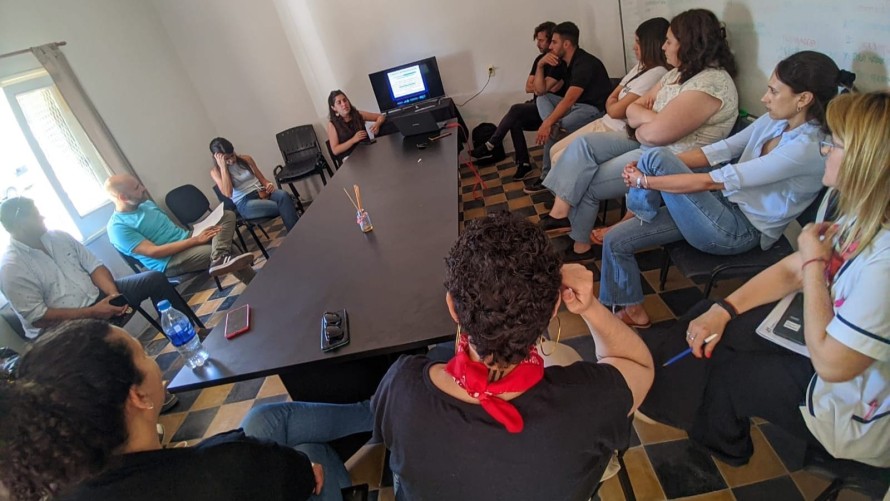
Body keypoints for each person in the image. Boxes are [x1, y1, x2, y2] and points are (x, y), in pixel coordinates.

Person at [638, 91, 890, 468]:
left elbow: (832, 365)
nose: (825, 152)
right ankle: (662, 393)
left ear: (865, 163)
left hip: (851, 406)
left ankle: (721, 442)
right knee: (711, 317)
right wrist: (725, 308)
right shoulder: (860, 213)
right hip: (830, 338)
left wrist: (813, 268)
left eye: (834, 146)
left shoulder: (883, 263)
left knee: (727, 373)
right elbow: (793, 268)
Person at [372, 212, 654, 500]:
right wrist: (590, 306)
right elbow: (638, 365)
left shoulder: (401, 385)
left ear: (453, 308)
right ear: (555, 307)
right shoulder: (589, 401)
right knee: (564, 356)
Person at [600, 51, 850, 328]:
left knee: (656, 158)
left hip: (737, 231)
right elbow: (721, 151)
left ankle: (639, 209)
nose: (764, 97)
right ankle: (632, 309)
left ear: (803, 99)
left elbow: (712, 180)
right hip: (717, 204)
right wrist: (649, 169)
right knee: (617, 239)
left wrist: (644, 180)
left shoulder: (807, 148)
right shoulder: (776, 120)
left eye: (773, 91)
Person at [0, 319, 374, 500]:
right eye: (145, 354)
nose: (155, 362)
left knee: (265, 417)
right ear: (138, 397)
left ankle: (374, 411)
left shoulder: (66, 480)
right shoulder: (229, 467)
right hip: (274, 477)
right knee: (312, 453)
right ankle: (387, 411)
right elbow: (304, 476)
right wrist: (301, 470)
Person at [535, 9, 739, 262]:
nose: (664, 47)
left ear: (689, 45)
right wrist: (647, 118)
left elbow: (651, 131)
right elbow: (632, 111)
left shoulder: (710, 84)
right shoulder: (676, 74)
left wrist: (645, 119)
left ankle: (580, 247)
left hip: (672, 160)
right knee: (583, 146)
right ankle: (563, 218)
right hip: (647, 145)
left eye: (669, 41)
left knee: (584, 179)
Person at [0, 197, 200, 342]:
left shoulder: (58, 236)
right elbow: (39, 318)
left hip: (98, 297)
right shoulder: (12, 267)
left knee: (153, 279)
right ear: (20, 225)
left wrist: (114, 296)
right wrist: (93, 312)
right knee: (108, 342)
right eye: (36, 216)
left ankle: (189, 334)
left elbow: (95, 266)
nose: (42, 217)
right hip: (60, 327)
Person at [548, 17, 671, 167]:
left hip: (617, 129)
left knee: (560, 158)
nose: (634, 47)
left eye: (638, 42)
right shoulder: (640, 66)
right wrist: (613, 104)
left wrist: (613, 104)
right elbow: (612, 96)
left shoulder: (657, 73)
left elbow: (617, 110)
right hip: (605, 120)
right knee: (553, 150)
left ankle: (564, 187)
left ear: (650, 44)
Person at [105, 174, 256, 284]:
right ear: (123, 197)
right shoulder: (117, 227)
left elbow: (173, 232)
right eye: (137, 188)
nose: (143, 189)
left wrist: (195, 236)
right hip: (169, 260)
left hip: (188, 238)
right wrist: (196, 240)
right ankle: (238, 270)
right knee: (228, 249)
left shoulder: (146, 205)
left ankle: (220, 257)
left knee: (227, 215)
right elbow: (155, 252)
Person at [469, 21, 566, 180]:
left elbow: (543, 89)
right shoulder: (539, 60)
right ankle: (524, 164)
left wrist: (540, 86)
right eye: (537, 40)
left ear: (551, 41)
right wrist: (541, 83)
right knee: (515, 120)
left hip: (552, 111)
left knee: (515, 109)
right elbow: (529, 87)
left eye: (541, 40)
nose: (538, 44)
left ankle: (491, 144)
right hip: (536, 106)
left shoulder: (557, 63)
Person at [526, 21, 613, 184]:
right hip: (576, 107)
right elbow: (540, 90)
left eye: (554, 42)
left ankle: (546, 179)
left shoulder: (584, 63)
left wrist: (548, 123)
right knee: (543, 99)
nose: (550, 46)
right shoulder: (565, 63)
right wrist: (539, 65)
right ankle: (553, 127)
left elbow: (569, 99)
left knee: (555, 127)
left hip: (592, 109)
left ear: (566, 44)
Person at [209, 137, 299, 231]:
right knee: (286, 206)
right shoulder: (216, 172)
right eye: (226, 159)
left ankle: (295, 235)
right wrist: (223, 168)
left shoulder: (246, 159)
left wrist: (269, 184)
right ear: (216, 158)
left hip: (262, 192)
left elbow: (263, 179)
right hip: (245, 203)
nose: (231, 160)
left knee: (283, 195)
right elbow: (228, 193)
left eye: (232, 155)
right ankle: (297, 234)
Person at [326, 90, 385, 162]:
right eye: (339, 103)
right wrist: (353, 140)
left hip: (367, 153)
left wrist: (377, 124)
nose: (344, 104)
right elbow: (335, 150)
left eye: (345, 100)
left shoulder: (358, 114)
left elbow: (381, 117)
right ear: (334, 108)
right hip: (349, 159)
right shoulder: (332, 124)